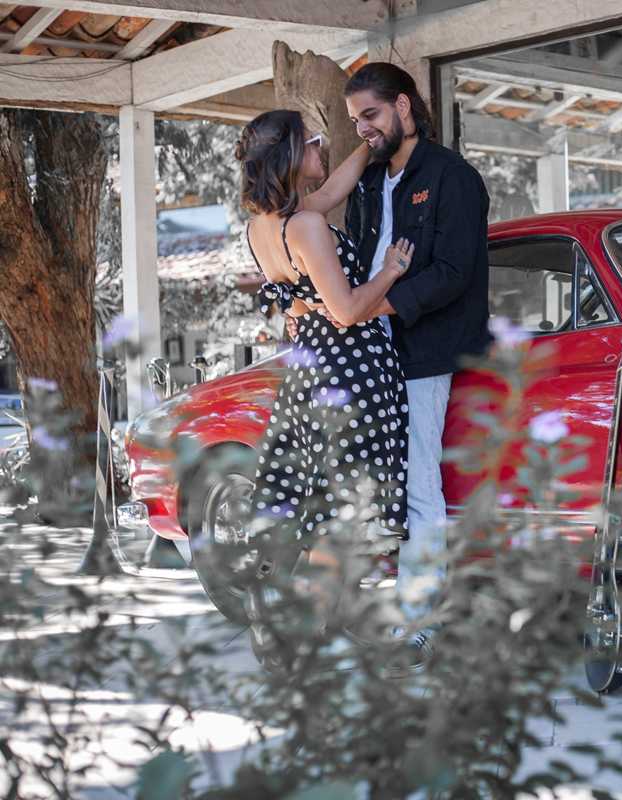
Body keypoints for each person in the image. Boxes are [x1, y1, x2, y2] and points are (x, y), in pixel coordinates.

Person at [235, 109, 414, 665]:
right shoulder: (307, 226)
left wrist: (370, 140)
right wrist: (392, 269)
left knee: (315, 509)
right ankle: (302, 639)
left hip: (310, 374)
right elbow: (350, 310)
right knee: (342, 516)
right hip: (348, 373)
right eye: (314, 143)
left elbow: (337, 186)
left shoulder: (268, 225)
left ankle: (293, 625)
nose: (322, 150)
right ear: (289, 155)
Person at [321, 63, 492, 590]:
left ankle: (418, 614)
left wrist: (374, 306)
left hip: (424, 350)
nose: (362, 127)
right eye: (354, 120)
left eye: (370, 114)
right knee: (366, 482)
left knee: (418, 480)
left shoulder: (451, 175)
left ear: (403, 106)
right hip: (368, 349)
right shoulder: (369, 180)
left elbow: (453, 272)